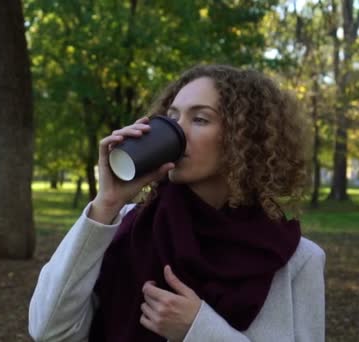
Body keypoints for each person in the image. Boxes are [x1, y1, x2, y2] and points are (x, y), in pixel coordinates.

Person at [28, 64, 326, 342]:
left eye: (199, 119)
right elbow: (49, 329)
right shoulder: (126, 228)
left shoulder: (296, 259)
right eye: (172, 117)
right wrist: (107, 203)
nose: (178, 131)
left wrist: (197, 329)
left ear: (244, 139)